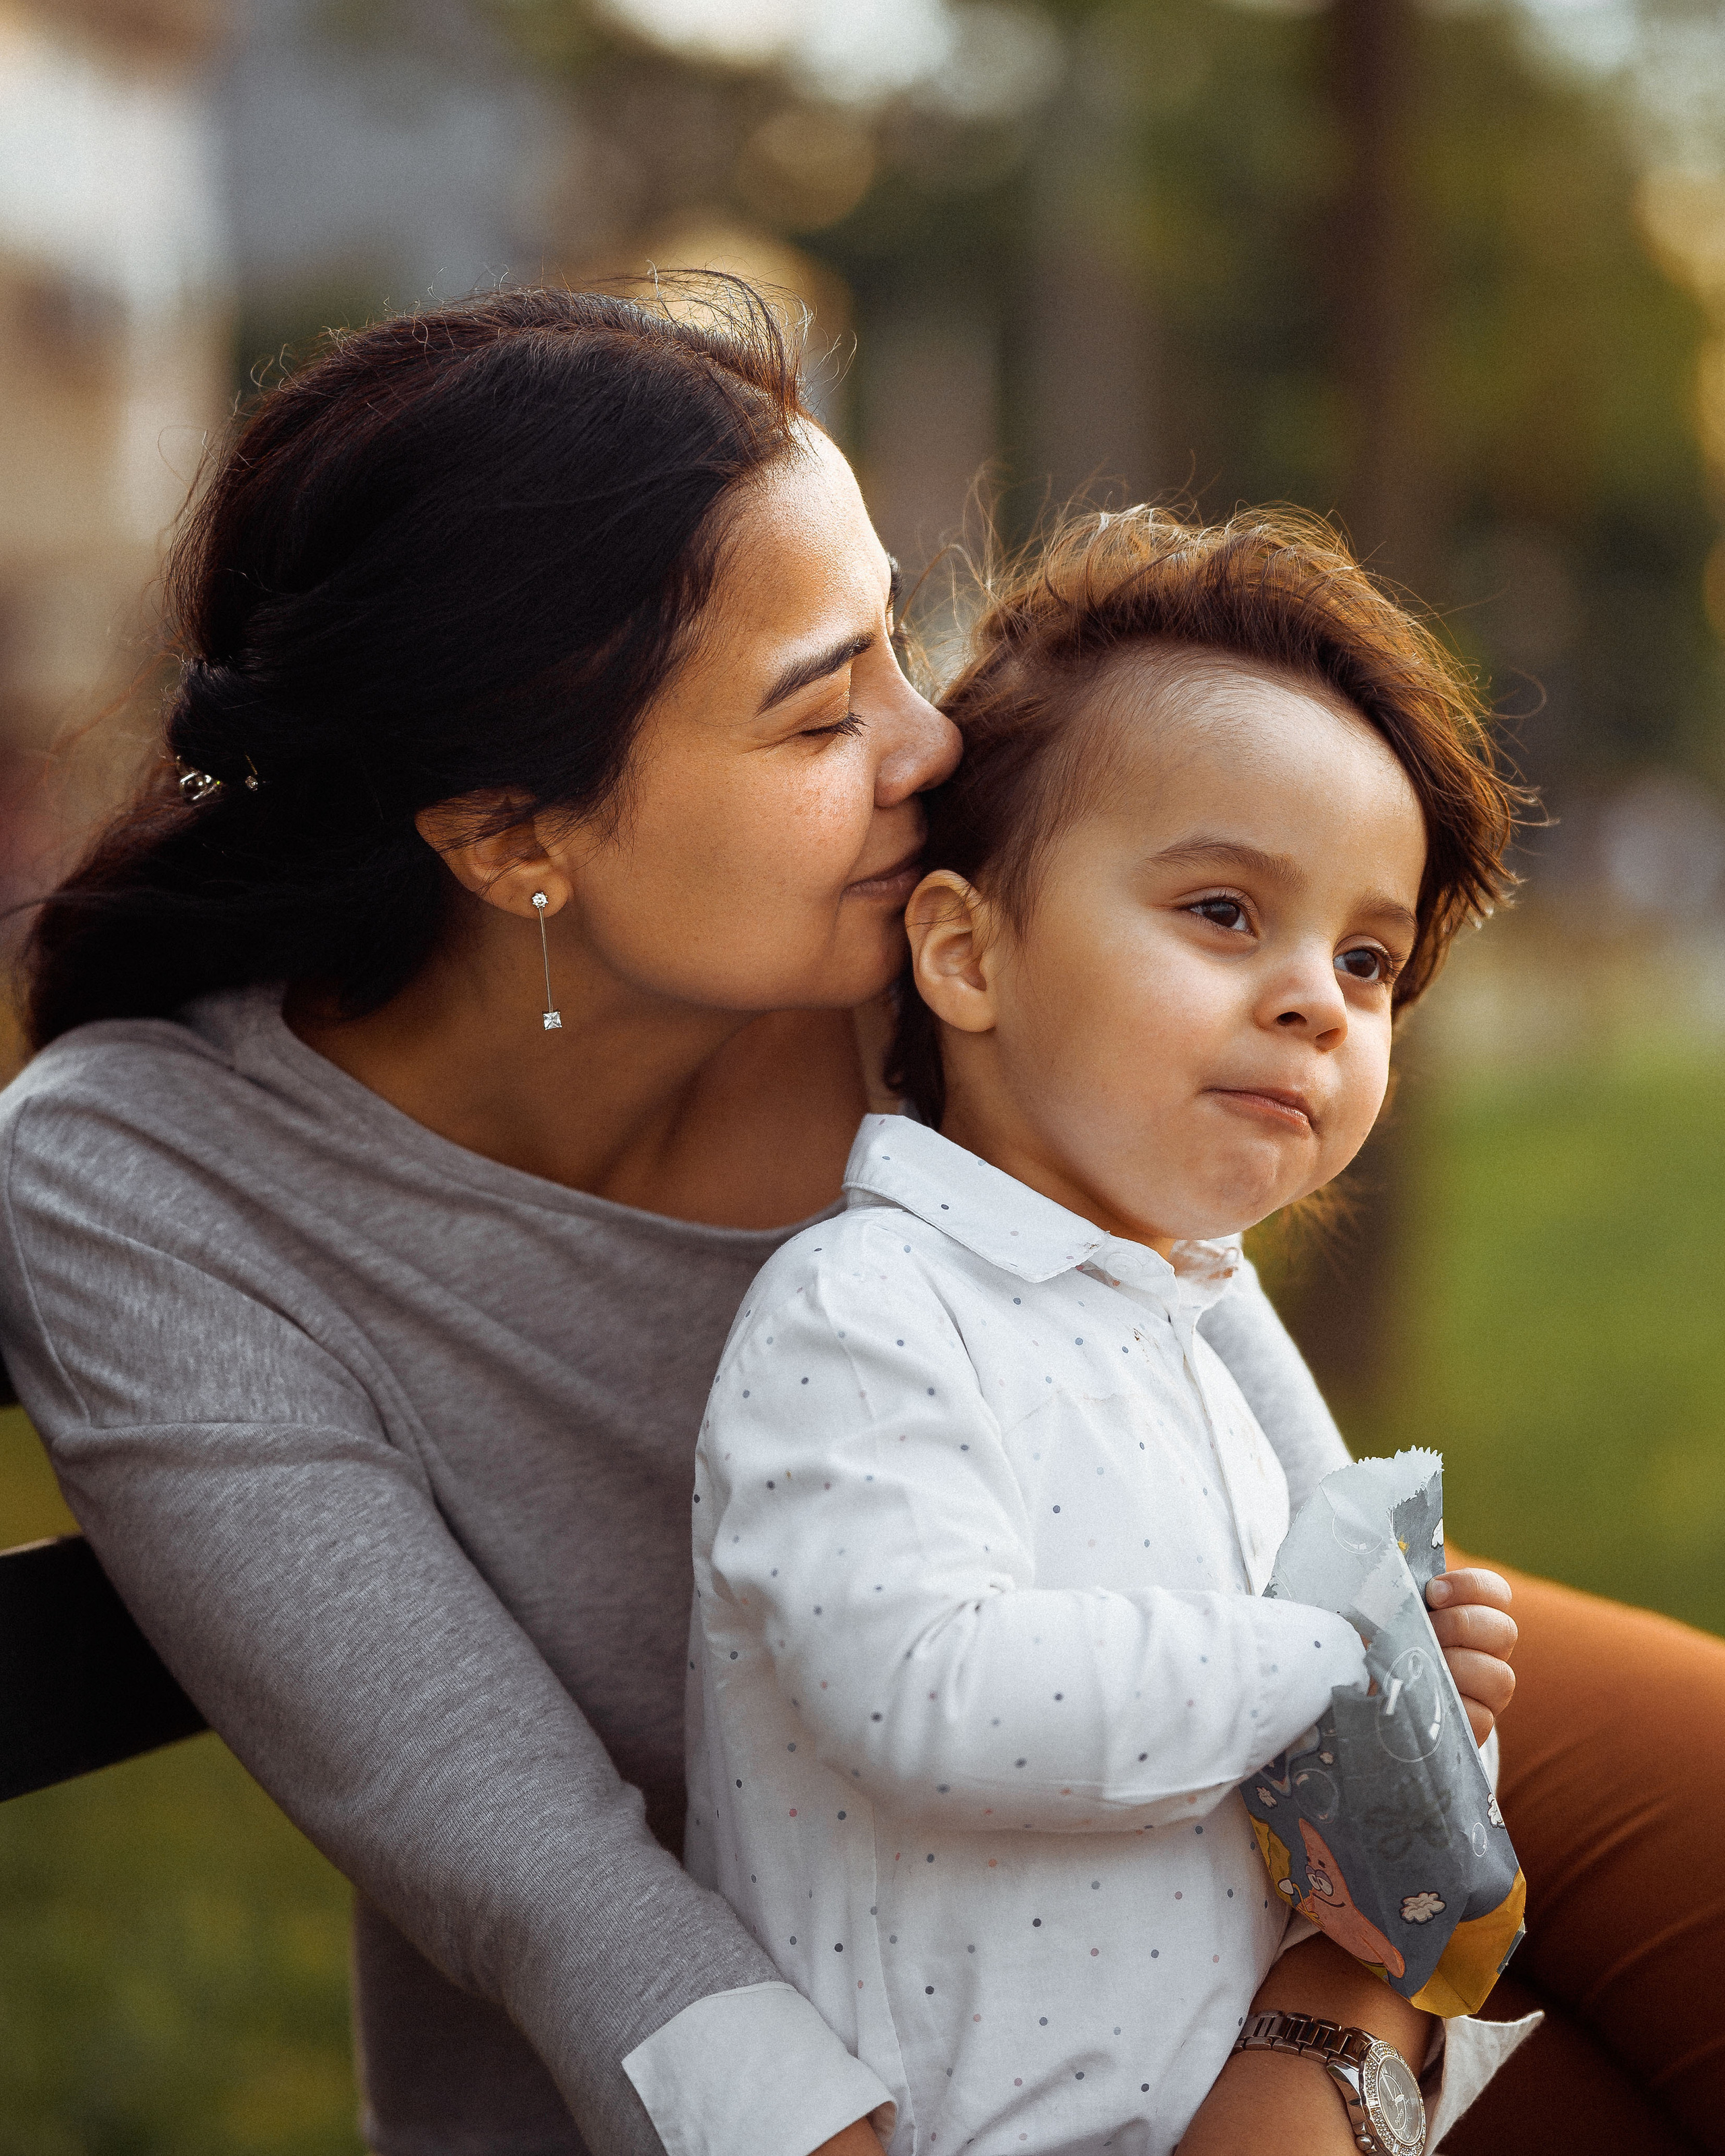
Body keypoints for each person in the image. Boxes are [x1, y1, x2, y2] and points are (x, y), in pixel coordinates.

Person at [0, 282, 1715, 2156]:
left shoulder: (921, 959)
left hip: (1233, 1805)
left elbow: (1314, 1546)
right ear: (514, 839)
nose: (930, 743)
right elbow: (534, 1870)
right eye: (827, 711)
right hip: (893, 2033)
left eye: (898, 639)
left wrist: (1335, 2013)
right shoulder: (146, 1184)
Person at [685, 507, 1528, 2156]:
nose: (1315, 998)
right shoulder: (868, 1310)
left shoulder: (1180, 1326)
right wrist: (1327, 1657)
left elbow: (1262, 1767)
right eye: (1223, 911)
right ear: (963, 950)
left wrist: (1426, 1695)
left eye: (1366, 958)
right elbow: (926, 1690)